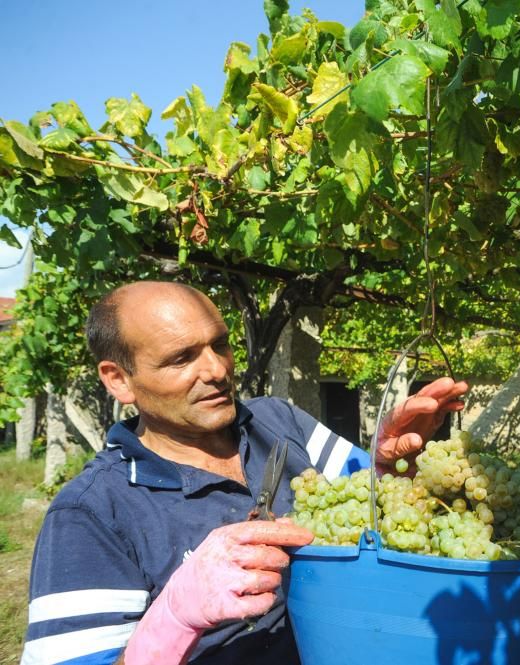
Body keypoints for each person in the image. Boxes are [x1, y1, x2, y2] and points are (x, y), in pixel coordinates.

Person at [21, 281, 468, 665]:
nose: (216, 370)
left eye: (220, 344)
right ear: (119, 380)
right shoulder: (90, 514)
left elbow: (371, 507)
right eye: (181, 359)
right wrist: (173, 619)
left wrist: (390, 463)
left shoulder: (277, 422)